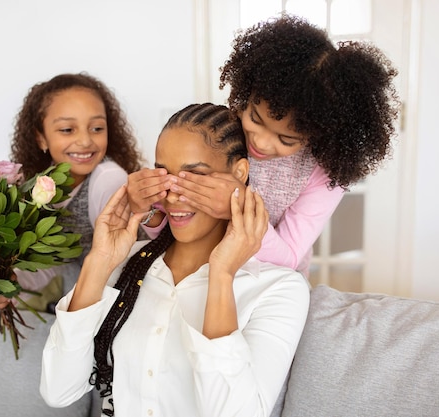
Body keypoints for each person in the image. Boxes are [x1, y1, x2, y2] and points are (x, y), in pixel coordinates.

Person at [40, 103, 310, 417]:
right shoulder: (128, 263)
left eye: (194, 176)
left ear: (239, 174)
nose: (172, 195)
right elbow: (59, 390)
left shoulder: (279, 289)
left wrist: (221, 276)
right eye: (164, 175)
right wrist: (99, 260)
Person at [127, 14, 400, 276]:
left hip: (271, 284)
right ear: (248, 93)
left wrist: (238, 207)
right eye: (255, 118)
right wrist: (149, 208)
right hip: (201, 275)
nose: (260, 141)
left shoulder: (323, 174)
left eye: (286, 139)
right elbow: (176, 222)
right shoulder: (221, 133)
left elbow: (289, 258)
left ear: (319, 134)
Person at [0, 72, 145, 310]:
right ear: (41, 138)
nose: (84, 141)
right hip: (88, 298)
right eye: (68, 130)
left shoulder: (108, 180)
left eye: (97, 128)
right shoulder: (40, 183)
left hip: (127, 298)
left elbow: (118, 266)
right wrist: (12, 285)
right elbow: (51, 260)